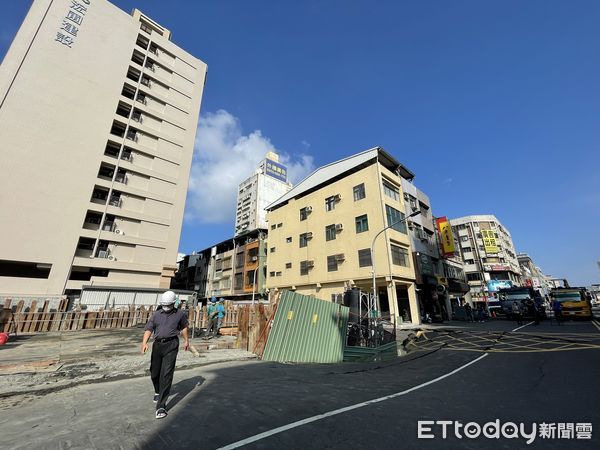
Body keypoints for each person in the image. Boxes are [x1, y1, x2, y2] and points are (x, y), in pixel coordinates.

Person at [141, 291, 189, 419]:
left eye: (168, 304)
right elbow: (149, 329)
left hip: (172, 345)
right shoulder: (156, 315)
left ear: (174, 303)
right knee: (154, 373)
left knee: (166, 373)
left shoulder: (180, 314)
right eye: (164, 304)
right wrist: (144, 343)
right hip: (157, 345)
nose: (166, 306)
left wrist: (186, 340)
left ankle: (161, 406)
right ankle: (158, 390)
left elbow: (184, 327)